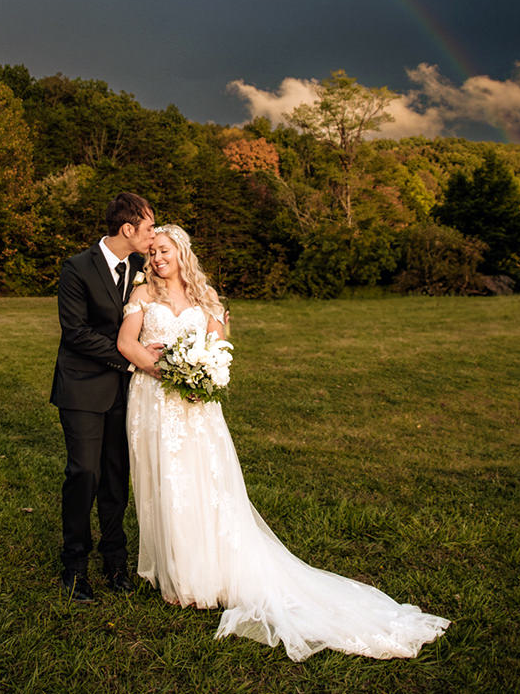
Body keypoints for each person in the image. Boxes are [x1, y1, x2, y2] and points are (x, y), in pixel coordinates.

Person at [118, 224, 450, 660]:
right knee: (165, 482)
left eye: (165, 250)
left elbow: (219, 348)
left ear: (181, 252)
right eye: (153, 251)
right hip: (156, 400)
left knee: (204, 484)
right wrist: (169, 372)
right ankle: (179, 576)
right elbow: (126, 344)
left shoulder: (207, 297)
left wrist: (201, 372)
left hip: (198, 407)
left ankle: (212, 573)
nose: (158, 258)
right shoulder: (142, 296)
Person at [50, 192, 162, 601]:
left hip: (125, 392)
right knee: (85, 475)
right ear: (128, 229)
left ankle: (115, 562)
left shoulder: (142, 266)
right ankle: (74, 568)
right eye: (149, 227)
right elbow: (76, 334)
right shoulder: (77, 268)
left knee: (117, 477)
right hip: (81, 387)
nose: (154, 235)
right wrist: (133, 360)